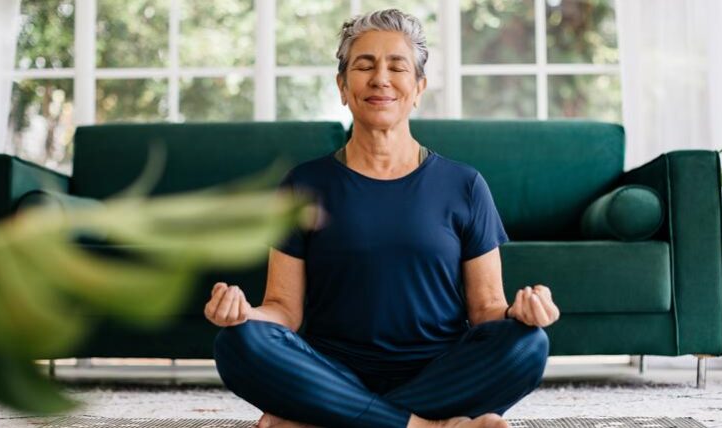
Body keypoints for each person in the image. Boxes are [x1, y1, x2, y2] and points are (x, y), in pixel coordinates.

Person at [206, 9, 560, 428]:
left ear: (418, 87)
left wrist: (525, 313)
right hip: (331, 370)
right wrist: (245, 314)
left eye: (397, 66)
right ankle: (427, 425)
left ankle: (328, 419)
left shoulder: (465, 184)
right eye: (364, 65)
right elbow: (284, 310)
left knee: (528, 344)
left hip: (438, 372)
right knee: (238, 342)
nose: (381, 79)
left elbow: (486, 310)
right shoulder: (303, 184)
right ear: (342, 86)